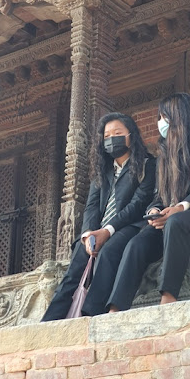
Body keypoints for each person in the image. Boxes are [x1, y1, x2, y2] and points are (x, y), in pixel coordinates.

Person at [107, 93, 190, 311]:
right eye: (159, 117)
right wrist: (155, 209)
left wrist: (181, 207)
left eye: (164, 117)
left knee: (176, 223)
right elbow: (160, 195)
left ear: (180, 116)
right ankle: (116, 307)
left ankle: (169, 296)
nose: (160, 123)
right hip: (171, 215)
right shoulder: (165, 151)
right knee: (137, 241)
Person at [42, 112, 156, 320]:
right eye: (107, 136)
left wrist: (107, 231)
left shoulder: (147, 165)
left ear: (130, 136)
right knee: (77, 261)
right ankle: (50, 321)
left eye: (117, 133)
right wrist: (87, 235)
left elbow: (137, 204)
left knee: (108, 251)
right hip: (98, 229)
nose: (112, 139)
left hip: (128, 226)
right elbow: (92, 206)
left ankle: (91, 315)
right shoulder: (103, 171)